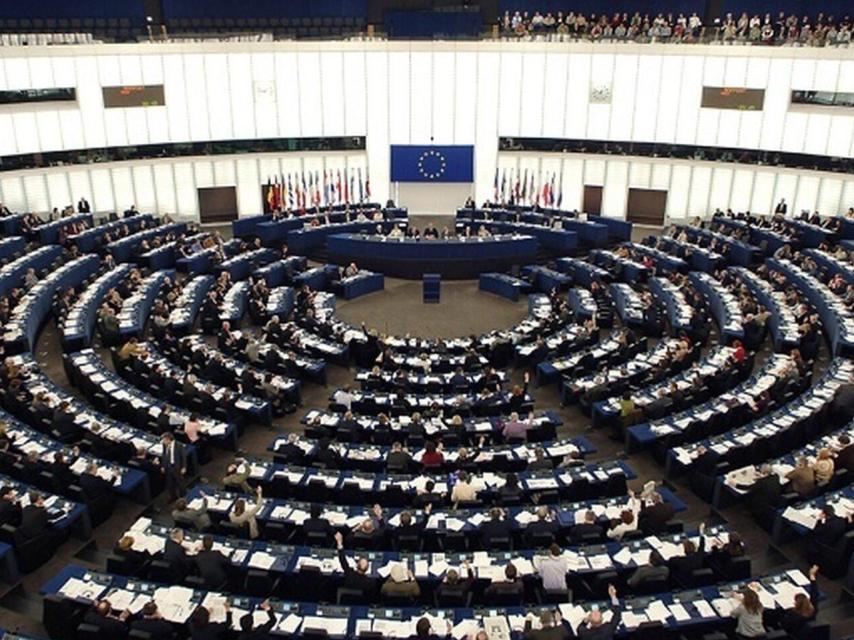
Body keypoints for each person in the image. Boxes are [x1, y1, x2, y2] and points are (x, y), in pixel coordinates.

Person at [778, 565, 820, 637]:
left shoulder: (794, 615)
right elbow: (814, 593)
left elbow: (783, 625)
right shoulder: (813, 609)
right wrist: (812, 576)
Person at [334, 531, 377, 598]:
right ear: (368, 568)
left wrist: (339, 543)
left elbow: (343, 561)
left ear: (356, 565)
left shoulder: (349, 574)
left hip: (347, 599)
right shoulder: (370, 582)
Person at [160, 432, 187, 501]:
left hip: (177, 467)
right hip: (168, 467)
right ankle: (173, 497)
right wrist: (163, 466)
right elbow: (164, 455)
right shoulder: (164, 445)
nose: (162, 442)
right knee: (170, 484)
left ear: (168, 439)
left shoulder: (179, 445)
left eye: (164, 440)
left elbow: (183, 457)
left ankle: (183, 498)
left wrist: (184, 467)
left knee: (180, 483)